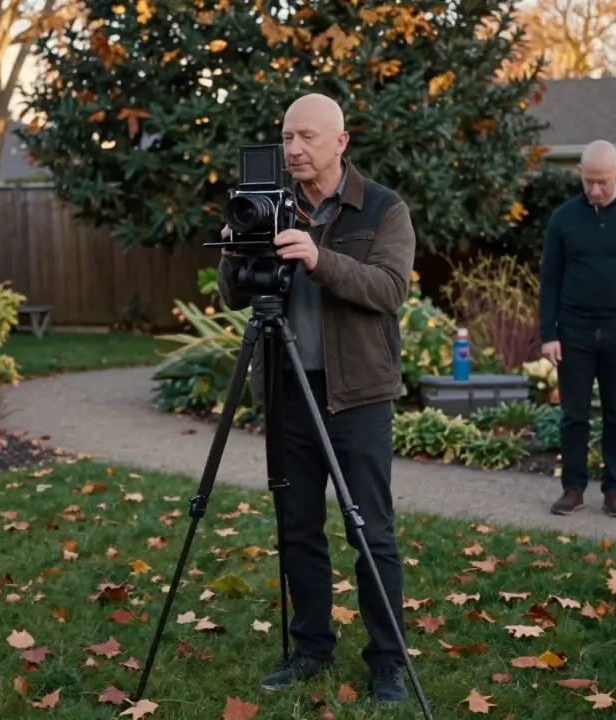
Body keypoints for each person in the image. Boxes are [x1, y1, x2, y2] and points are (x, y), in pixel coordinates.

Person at [215, 92, 416, 704]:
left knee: (370, 533)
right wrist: (236, 246)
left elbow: (388, 289)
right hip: (287, 392)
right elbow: (232, 295)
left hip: (357, 394)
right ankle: (310, 649)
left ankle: (388, 662)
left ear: (340, 142)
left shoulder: (382, 209)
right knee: (297, 528)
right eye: (286, 138)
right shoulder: (266, 206)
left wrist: (318, 257)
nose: (293, 149)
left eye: (306, 137)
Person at [537, 140, 616, 519]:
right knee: (574, 415)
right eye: (589, 181)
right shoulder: (563, 219)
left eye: (603, 182)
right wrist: (549, 334)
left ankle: (615, 491)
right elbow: (550, 278)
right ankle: (573, 489)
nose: (595, 189)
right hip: (572, 330)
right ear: (579, 172)